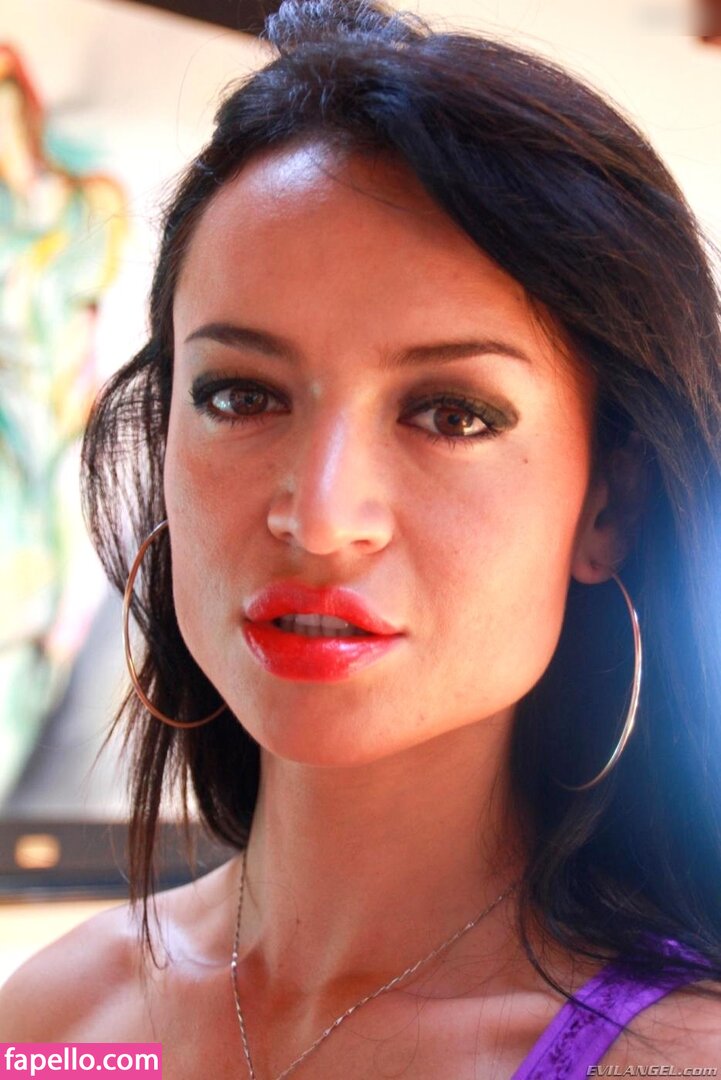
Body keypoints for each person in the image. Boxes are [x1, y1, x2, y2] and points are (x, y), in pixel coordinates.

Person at [2, 1, 721, 1075]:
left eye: (451, 415)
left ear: (606, 508)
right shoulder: (60, 1029)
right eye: (241, 394)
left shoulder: (669, 1059)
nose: (320, 517)